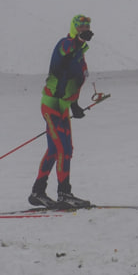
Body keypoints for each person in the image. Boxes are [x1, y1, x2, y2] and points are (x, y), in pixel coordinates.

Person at [29, 14, 94, 209]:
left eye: (87, 26)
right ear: (74, 28)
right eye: (80, 26)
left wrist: (74, 105)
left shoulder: (80, 54)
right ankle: (64, 193)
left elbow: (73, 81)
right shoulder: (65, 44)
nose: (84, 29)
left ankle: (38, 192)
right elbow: (66, 51)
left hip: (63, 107)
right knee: (62, 150)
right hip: (51, 105)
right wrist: (78, 39)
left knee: (57, 150)